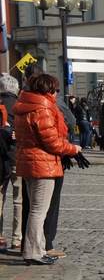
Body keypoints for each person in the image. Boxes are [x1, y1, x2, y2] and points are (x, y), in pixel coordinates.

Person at [12, 73, 81, 265]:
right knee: (38, 210)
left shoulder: (24, 105)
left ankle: (39, 248)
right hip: (43, 164)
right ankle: (33, 252)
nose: (56, 92)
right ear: (47, 89)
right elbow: (52, 142)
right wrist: (73, 149)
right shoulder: (42, 107)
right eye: (54, 88)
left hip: (27, 161)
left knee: (35, 208)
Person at [0, 76, 20, 250]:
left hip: (0, 157)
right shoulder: (19, 106)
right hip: (15, 156)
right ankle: (17, 238)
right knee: (18, 200)